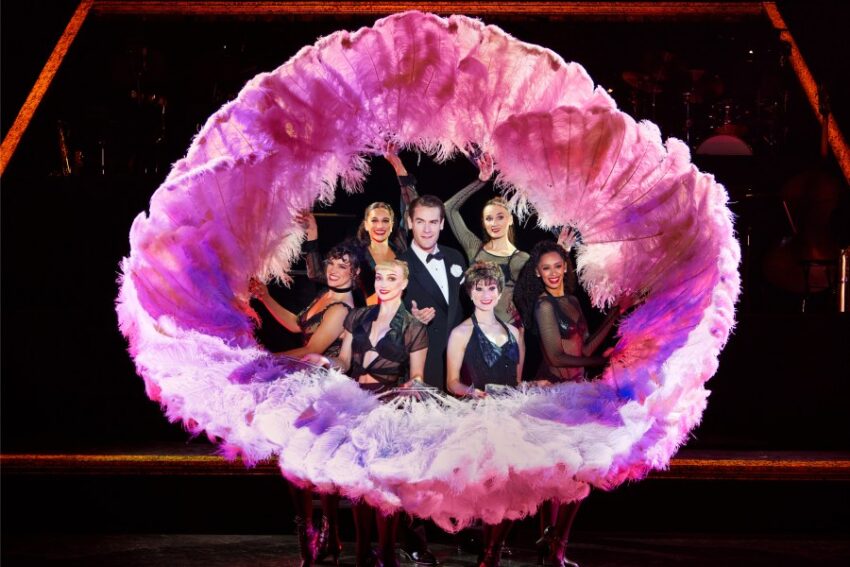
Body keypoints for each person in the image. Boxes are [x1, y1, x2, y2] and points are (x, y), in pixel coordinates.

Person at [514, 239, 634, 567]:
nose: (553, 273)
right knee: (557, 475)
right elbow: (556, 357)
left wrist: (614, 314)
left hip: (579, 392)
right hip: (554, 394)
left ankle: (557, 546)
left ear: (565, 267)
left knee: (581, 475)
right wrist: (601, 363)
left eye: (557, 266)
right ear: (537, 273)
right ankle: (549, 547)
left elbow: (586, 347)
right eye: (546, 268)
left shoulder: (571, 301)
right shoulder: (543, 306)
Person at [304, 259, 429, 567]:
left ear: (404, 284)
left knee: (383, 486)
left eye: (391, 278)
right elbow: (345, 362)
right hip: (357, 403)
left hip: (387, 407)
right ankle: (362, 553)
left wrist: (414, 384)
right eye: (380, 277)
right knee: (358, 483)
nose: (383, 283)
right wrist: (326, 362)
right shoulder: (358, 316)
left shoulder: (413, 327)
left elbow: (417, 375)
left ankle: (386, 553)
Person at [250, 241, 362, 567]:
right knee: (295, 462)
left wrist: (267, 360)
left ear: (355, 273)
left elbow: (312, 350)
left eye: (342, 266)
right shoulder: (325, 296)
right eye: (331, 263)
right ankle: (313, 533)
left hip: (324, 388)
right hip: (304, 382)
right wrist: (265, 297)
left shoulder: (342, 308)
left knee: (314, 461)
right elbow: (296, 324)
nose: (333, 270)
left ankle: (325, 532)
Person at [446, 262, 524, 567]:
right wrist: (471, 392)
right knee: (492, 487)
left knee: (514, 487)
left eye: (491, 288)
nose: (486, 294)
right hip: (480, 416)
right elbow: (452, 382)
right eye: (479, 289)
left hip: (512, 415)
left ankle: (495, 547)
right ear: (470, 292)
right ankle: (489, 552)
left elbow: (516, 381)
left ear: (500, 291)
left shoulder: (514, 332)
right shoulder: (461, 332)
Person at [444, 150, 530, 327]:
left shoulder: (521, 258)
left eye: (500, 217)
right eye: (489, 218)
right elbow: (449, 208)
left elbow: (538, 292)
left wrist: (562, 250)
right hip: (478, 329)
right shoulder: (474, 248)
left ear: (510, 220)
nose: (494, 223)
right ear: (484, 223)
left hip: (509, 331)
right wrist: (481, 181)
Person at [398, 194, 468, 389]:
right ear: (410, 223)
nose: (427, 230)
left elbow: (465, 305)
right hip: (424, 363)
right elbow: (387, 321)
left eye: (433, 222)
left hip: (459, 360)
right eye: (420, 222)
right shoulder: (400, 265)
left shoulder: (455, 257)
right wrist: (411, 320)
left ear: (442, 224)